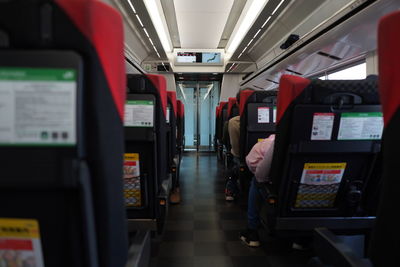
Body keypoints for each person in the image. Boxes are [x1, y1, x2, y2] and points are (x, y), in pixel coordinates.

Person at [239, 134, 275, 247]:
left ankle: (252, 231)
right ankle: (301, 239)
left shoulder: (277, 141)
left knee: (256, 182)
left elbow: (261, 174)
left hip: (276, 190)